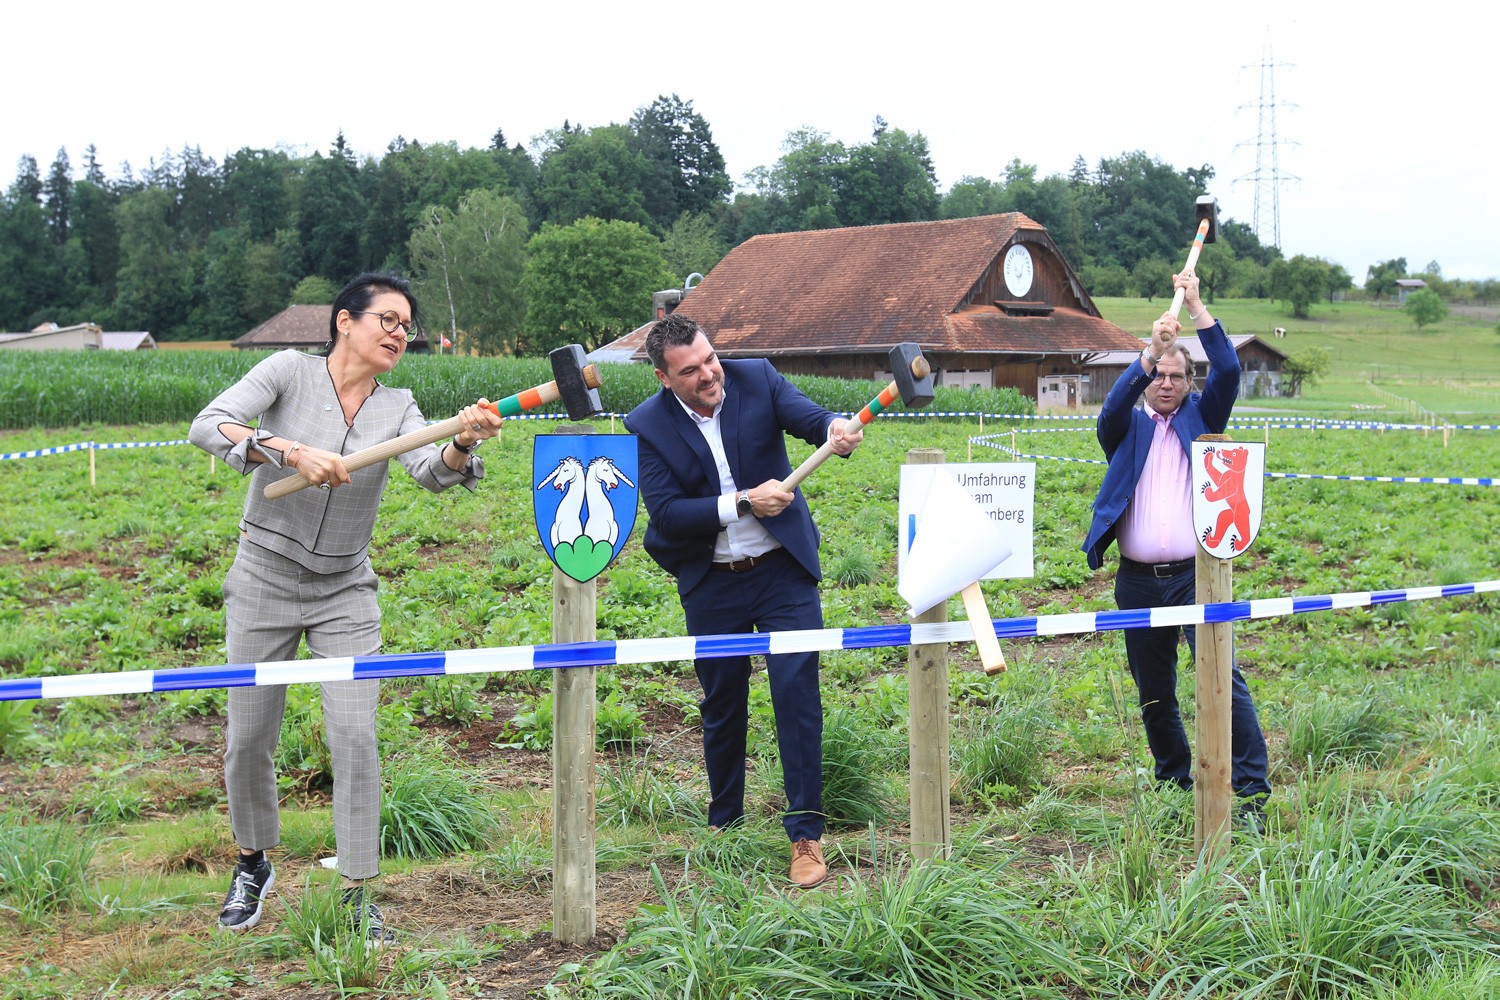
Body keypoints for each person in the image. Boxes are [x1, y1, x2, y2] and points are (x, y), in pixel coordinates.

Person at [189, 272, 502, 941]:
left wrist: (464, 440)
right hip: (264, 575)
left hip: (344, 589)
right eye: (387, 319)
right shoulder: (287, 372)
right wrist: (289, 449)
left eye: (406, 325)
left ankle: (358, 890)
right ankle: (253, 863)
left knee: (356, 737)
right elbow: (209, 424)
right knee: (248, 736)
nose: (399, 333)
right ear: (344, 321)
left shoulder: (400, 405)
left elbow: (434, 473)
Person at [623, 313, 863, 888]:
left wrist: (836, 427)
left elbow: (811, 419)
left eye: (710, 359)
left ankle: (806, 834)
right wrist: (745, 502)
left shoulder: (755, 378)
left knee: (796, 694)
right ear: (663, 377)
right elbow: (670, 514)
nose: (709, 374)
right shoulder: (646, 426)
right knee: (722, 702)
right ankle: (724, 822)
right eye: (691, 370)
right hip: (716, 579)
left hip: (783, 572)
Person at [1081, 270, 1271, 826]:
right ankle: (1173, 780)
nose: (1166, 383)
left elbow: (1231, 368)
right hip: (1137, 579)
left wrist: (1195, 306)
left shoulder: (1203, 419)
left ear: (1189, 383)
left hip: (1196, 576)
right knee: (1153, 687)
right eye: (1159, 376)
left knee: (1223, 676)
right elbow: (1110, 409)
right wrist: (1148, 352)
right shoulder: (1125, 429)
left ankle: (1252, 791)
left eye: (1175, 376)